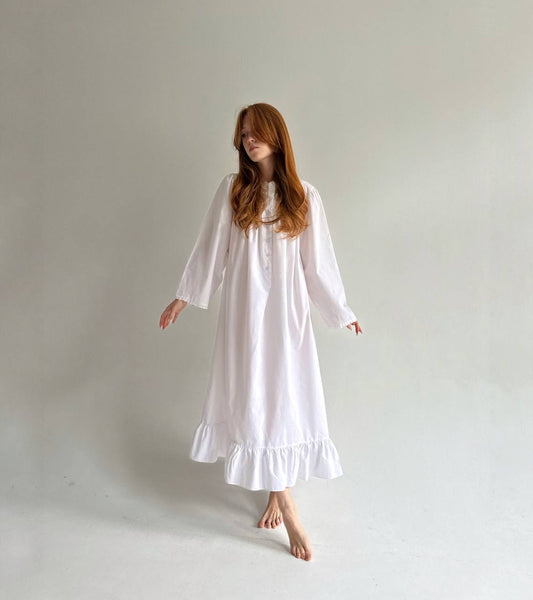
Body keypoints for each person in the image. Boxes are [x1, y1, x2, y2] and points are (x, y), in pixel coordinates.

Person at [159, 103, 363, 562]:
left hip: (287, 314)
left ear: (276, 135)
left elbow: (318, 264)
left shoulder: (305, 196)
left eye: (255, 133)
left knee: (283, 394)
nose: (248, 140)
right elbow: (210, 251)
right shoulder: (232, 190)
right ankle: (286, 503)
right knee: (254, 393)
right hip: (245, 313)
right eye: (243, 134)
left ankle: (277, 492)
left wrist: (340, 310)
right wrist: (182, 298)